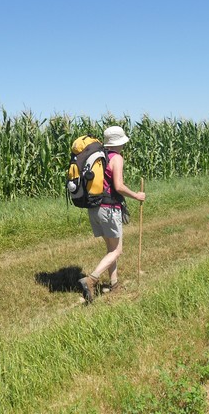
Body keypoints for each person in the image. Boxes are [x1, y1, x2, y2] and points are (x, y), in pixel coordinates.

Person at [78, 126, 146, 303]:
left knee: (111, 249)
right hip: (109, 208)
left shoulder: (98, 157)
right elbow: (119, 187)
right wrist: (137, 195)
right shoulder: (117, 158)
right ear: (120, 142)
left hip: (94, 208)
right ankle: (91, 280)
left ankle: (114, 285)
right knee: (117, 251)